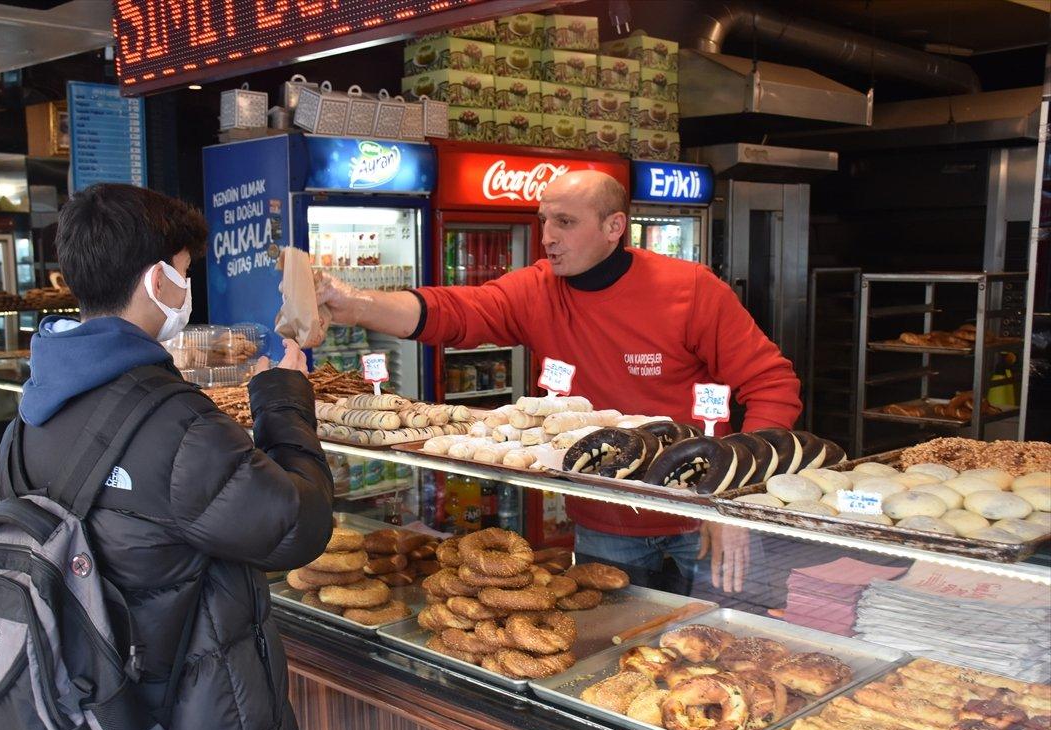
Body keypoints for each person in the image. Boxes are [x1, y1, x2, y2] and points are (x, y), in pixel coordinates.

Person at [316, 170, 801, 595]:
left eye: (565, 223)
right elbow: (453, 311)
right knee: (619, 657)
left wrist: (739, 499)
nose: (547, 236)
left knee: (712, 658)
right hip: (605, 521)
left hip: (704, 519)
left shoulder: (690, 290)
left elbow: (772, 384)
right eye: (544, 220)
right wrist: (353, 303)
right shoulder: (536, 288)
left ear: (614, 227)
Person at [13, 183, 333, 730]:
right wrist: (284, 401)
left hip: (86, 710)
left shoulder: (33, 408)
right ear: (158, 281)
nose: (188, 289)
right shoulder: (174, 422)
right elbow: (297, 524)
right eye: (184, 273)